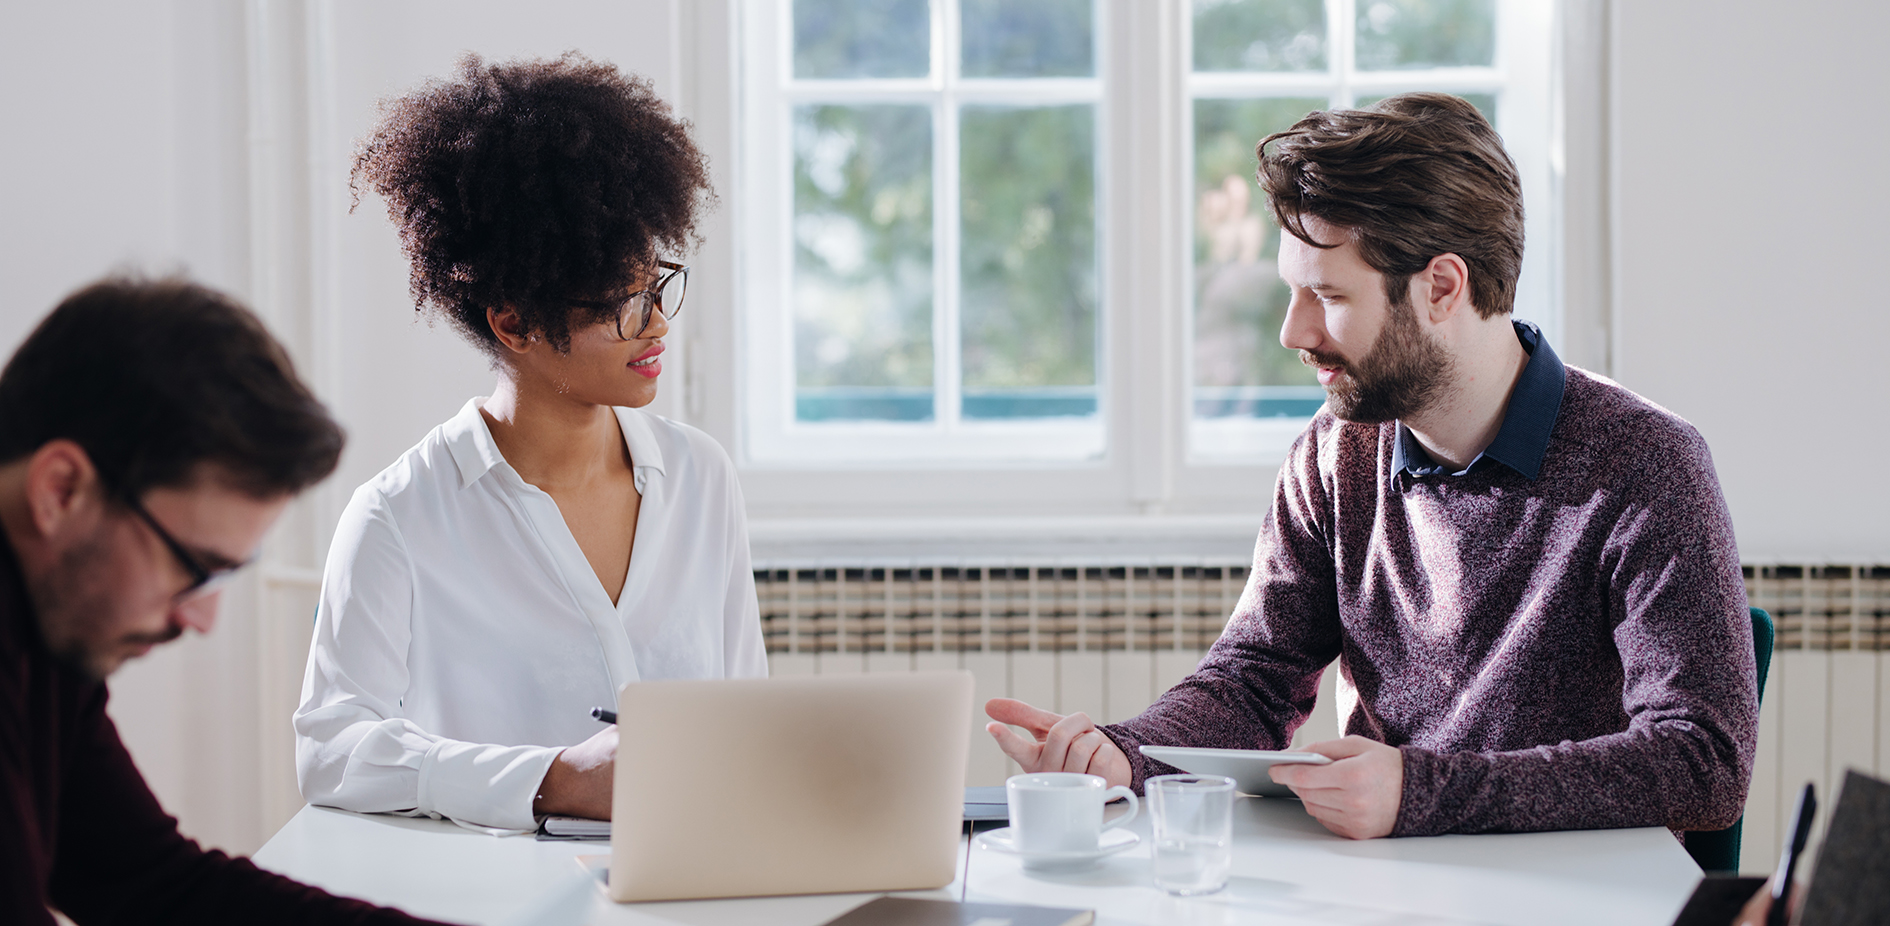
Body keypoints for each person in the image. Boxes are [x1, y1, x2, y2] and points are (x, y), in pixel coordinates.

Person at [986, 93, 1756, 840]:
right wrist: (1125, 756)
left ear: (1442, 287)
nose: (1295, 331)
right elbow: (1253, 681)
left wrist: (1422, 792)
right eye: (1295, 291)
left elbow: (1705, 763)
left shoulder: (1647, 464)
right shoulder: (1334, 454)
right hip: (1389, 884)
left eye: (1326, 294)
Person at [294, 52, 766, 832]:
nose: (657, 324)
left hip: (696, 881)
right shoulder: (397, 517)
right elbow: (332, 751)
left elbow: (746, 715)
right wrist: (553, 779)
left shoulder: (699, 477)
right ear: (514, 323)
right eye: (621, 304)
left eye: (657, 285)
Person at [0, 276, 449, 924]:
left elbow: (152, 885)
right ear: (61, 490)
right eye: (194, 567)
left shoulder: (53, 627)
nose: (200, 619)